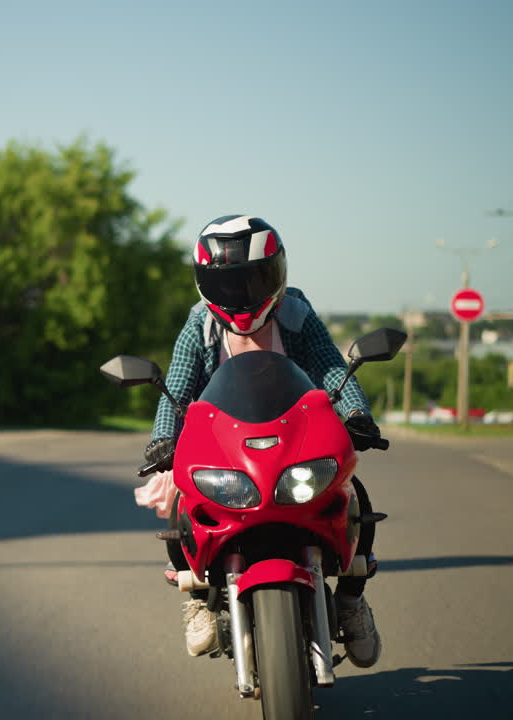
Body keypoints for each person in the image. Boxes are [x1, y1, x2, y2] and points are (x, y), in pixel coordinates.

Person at [140, 214, 383, 668]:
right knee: (181, 508)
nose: (243, 294)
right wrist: (162, 440)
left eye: (255, 280)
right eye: (228, 285)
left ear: (278, 274)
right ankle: (197, 598)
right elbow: (177, 387)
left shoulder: (296, 312)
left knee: (352, 497)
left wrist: (356, 414)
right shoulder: (199, 325)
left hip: (296, 434)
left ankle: (351, 598)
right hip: (222, 442)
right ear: (205, 285)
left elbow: (330, 366)